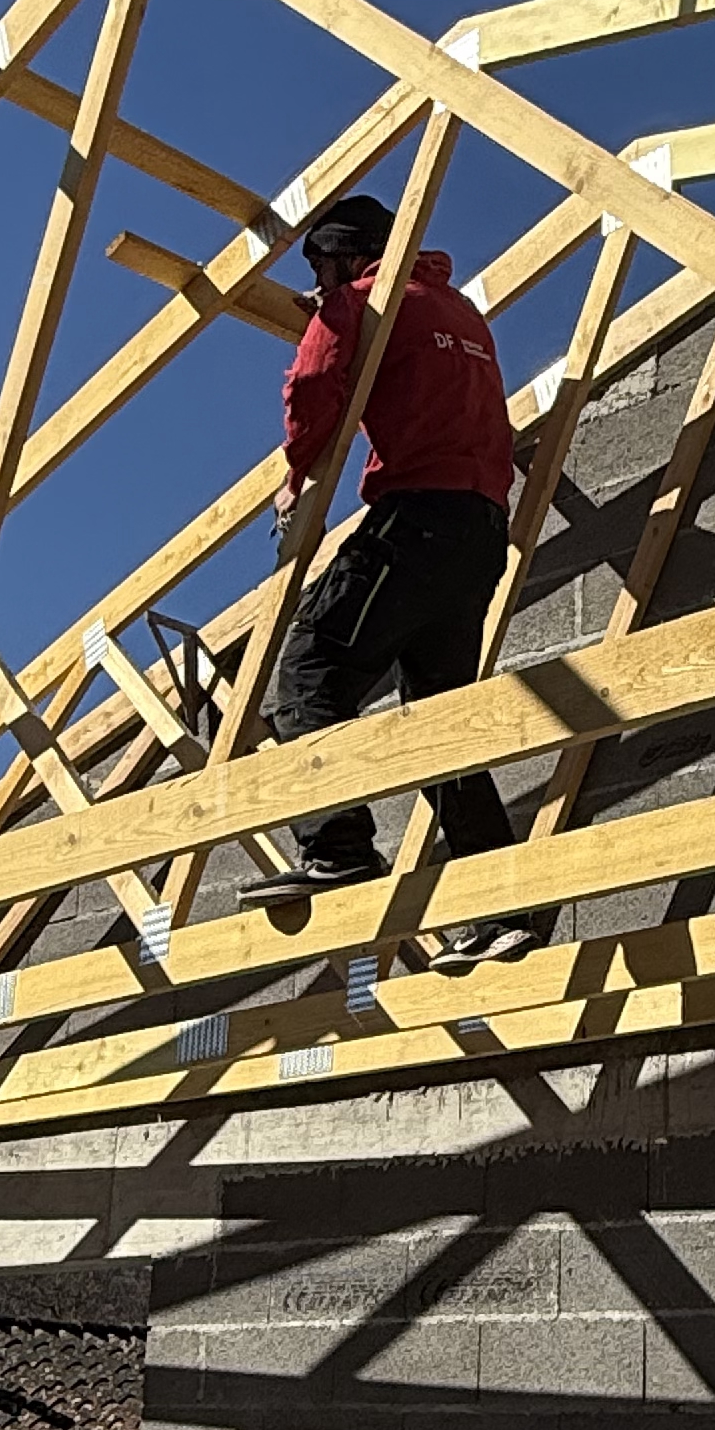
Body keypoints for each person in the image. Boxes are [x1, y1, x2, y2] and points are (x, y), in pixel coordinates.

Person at [271, 195, 548, 970]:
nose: (319, 284)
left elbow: (312, 388)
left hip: (417, 516)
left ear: (346, 258)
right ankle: (504, 909)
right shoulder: (458, 310)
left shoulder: (361, 301)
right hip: (481, 529)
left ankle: (338, 846)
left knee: (310, 668)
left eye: (323, 267)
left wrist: (296, 476)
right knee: (436, 723)